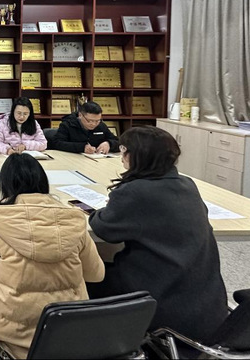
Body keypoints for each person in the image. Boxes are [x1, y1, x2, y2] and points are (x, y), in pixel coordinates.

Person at [87, 126, 228, 342]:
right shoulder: (187, 184)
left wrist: (98, 211)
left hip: (160, 301)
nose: (121, 155)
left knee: (84, 272)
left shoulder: (135, 191)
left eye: (124, 150)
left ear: (139, 156)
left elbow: (103, 228)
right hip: (206, 302)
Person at [0, 154, 104, 359]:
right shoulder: (74, 219)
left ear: (5, 185)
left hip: (8, 325)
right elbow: (96, 274)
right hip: (66, 324)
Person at [51, 101, 119, 153]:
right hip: (72, 160)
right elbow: (56, 143)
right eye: (90, 120)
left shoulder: (101, 126)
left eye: (97, 121)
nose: (93, 124)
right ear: (80, 115)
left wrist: (109, 143)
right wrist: (82, 147)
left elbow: (119, 142)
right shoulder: (68, 124)